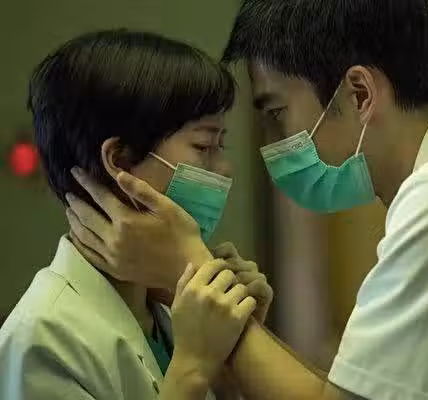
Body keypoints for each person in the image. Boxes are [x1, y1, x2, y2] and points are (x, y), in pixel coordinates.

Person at [66, 1, 428, 399]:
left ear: (359, 94)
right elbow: (358, 387)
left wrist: (191, 268)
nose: (273, 146)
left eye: (278, 114)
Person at [0, 29, 269, 400]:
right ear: (120, 161)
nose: (224, 168)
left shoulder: (170, 313)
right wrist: (192, 367)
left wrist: (232, 369)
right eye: (204, 145)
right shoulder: (43, 337)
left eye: (221, 145)